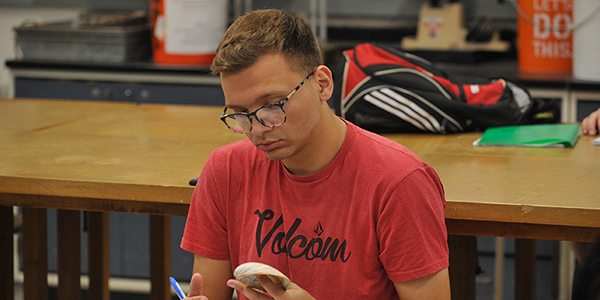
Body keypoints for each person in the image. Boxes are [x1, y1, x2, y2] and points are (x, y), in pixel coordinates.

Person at [180, 9, 450, 300]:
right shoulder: (226, 170)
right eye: (240, 114)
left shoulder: (398, 182)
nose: (257, 129)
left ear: (322, 84)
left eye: (272, 105)